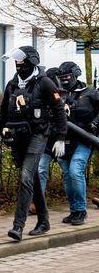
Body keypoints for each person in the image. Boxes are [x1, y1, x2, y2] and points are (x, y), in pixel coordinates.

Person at [0, 46, 67, 241]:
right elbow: (3, 110)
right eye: (16, 62)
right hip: (18, 137)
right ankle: (44, 221)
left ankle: (18, 226)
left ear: (32, 62)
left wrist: (60, 136)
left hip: (38, 136)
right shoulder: (12, 84)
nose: (18, 66)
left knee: (26, 178)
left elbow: (59, 110)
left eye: (22, 62)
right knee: (32, 178)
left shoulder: (45, 83)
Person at [57, 61, 99, 226]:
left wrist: (95, 123)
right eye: (62, 78)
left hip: (84, 139)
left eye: (67, 76)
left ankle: (81, 210)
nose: (65, 80)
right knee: (67, 176)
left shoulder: (90, 93)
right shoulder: (59, 95)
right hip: (64, 140)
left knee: (75, 171)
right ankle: (74, 210)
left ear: (75, 74)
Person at [30, 67, 63, 215]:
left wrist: (61, 137)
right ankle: (38, 203)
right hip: (46, 138)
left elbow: (60, 113)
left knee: (71, 173)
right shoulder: (41, 90)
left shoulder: (67, 94)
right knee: (40, 169)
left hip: (63, 141)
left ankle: (78, 207)